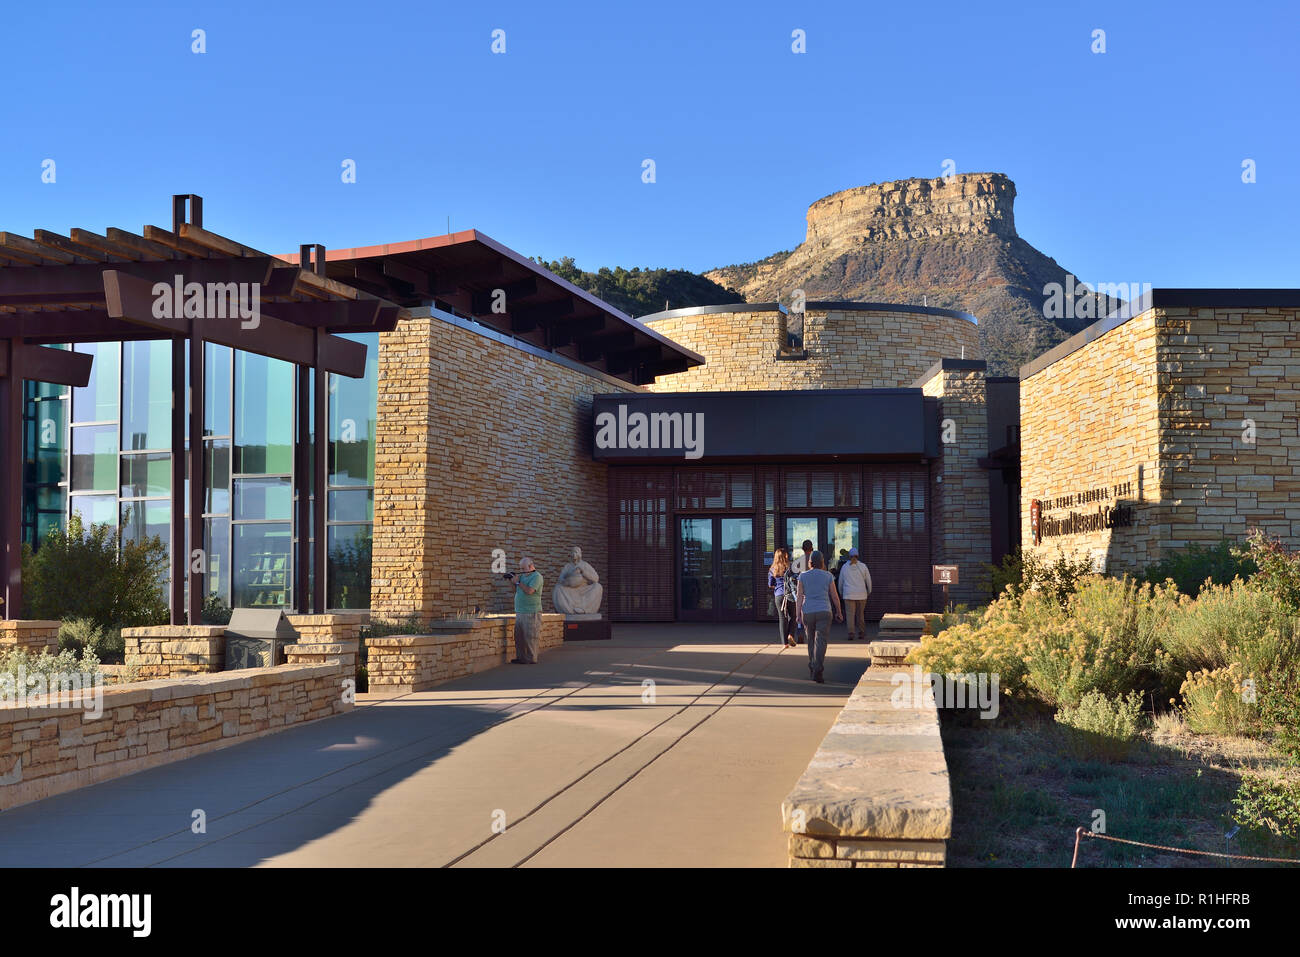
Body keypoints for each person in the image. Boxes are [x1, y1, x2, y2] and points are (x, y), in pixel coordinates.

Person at [797, 550, 842, 683]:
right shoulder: (828, 576)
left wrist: (797, 614)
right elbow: (834, 595)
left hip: (808, 611)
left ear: (810, 563)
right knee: (821, 641)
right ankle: (818, 668)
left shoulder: (803, 576)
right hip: (824, 611)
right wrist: (839, 611)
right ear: (822, 563)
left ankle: (812, 664)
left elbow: (799, 596)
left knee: (810, 640)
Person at [509, 556, 544, 664]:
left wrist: (518, 582)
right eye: (521, 568)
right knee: (519, 637)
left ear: (531, 566)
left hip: (531, 611)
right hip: (520, 611)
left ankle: (531, 658)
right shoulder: (523, 576)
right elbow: (517, 590)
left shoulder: (537, 577)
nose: (522, 571)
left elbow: (529, 591)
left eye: (523, 568)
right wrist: (513, 581)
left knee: (530, 636)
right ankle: (521, 657)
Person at [837, 547, 873, 642]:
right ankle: (861, 632)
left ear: (849, 556)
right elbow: (868, 580)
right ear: (858, 556)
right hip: (862, 594)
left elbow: (840, 581)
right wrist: (869, 590)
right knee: (860, 614)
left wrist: (841, 592)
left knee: (850, 615)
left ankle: (851, 633)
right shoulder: (863, 566)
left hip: (848, 595)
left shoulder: (844, 567)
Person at [768, 547, 797, 648]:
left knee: (782, 618)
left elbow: (770, 584)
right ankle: (791, 634)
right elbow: (795, 580)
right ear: (786, 556)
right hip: (789, 595)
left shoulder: (772, 569)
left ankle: (784, 643)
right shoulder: (790, 567)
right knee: (793, 616)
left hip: (779, 596)